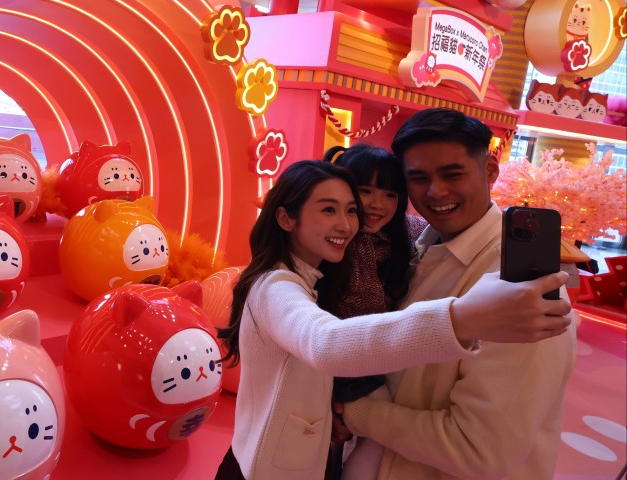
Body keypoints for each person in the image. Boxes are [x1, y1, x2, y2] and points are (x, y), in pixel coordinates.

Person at [213, 159, 572, 480]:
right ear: (286, 217)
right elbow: (324, 342)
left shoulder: (321, 278)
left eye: (350, 210)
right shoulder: (276, 286)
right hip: (265, 467)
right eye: (328, 210)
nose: (345, 224)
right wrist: (461, 318)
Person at [337, 109, 578, 479]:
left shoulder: (522, 285)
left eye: (453, 174)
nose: (436, 192)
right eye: (418, 179)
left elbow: (479, 449)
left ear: (490, 170)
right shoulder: (415, 249)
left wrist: (357, 413)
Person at [320, 144, 419, 479]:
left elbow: (420, 229)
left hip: (359, 360)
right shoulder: (351, 240)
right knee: (379, 433)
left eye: (390, 194)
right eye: (365, 191)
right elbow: (368, 308)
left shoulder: (391, 240)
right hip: (344, 361)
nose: (378, 204)